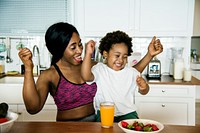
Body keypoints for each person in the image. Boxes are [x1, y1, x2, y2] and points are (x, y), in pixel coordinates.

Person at [18, 22, 163, 122]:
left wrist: (149, 55)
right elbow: (33, 108)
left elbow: (125, 74)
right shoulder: (50, 75)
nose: (80, 50)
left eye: (80, 44)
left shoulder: (92, 66)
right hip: (67, 128)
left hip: (96, 124)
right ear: (58, 49)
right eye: (73, 47)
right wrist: (29, 69)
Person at [81, 30, 161, 122]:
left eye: (125, 56)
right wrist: (88, 54)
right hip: (105, 112)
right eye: (117, 55)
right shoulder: (100, 69)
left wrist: (144, 87)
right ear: (105, 53)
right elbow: (86, 77)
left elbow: (144, 91)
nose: (120, 60)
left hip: (128, 113)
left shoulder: (132, 72)